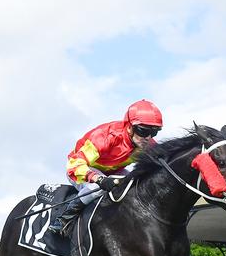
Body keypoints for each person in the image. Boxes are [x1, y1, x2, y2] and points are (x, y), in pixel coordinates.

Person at [49, 100, 163, 234]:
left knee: (134, 185)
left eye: (154, 132)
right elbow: (75, 164)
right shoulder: (106, 137)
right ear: (129, 126)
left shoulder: (147, 143)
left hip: (114, 171)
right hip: (81, 168)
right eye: (143, 131)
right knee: (97, 188)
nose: (148, 137)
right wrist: (99, 179)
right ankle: (64, 219)